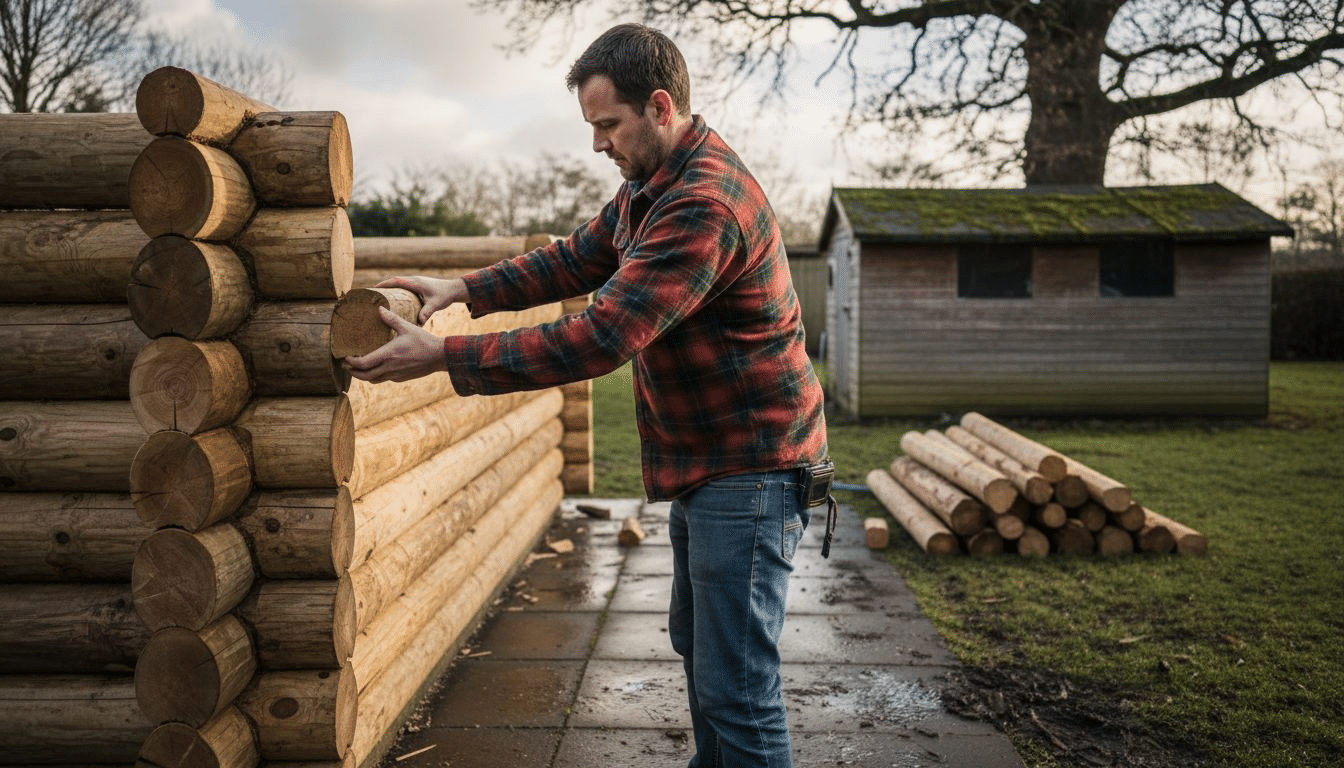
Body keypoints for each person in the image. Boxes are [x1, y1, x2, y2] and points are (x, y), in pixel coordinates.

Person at [345, 22, 832, 768]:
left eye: (607, 124)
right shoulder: (648, 187)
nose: (597, 143)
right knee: (705, 663)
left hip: (754, 469)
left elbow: (601, 337)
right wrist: (463, 289)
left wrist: (443, 356)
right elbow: (575, 259)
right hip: (714, 464)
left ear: (660, 107)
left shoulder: (701, 204)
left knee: (737, 689)